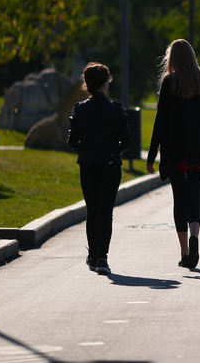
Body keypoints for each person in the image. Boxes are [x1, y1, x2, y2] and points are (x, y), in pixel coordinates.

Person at [146, 39, 200, 268]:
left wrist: (152, 154)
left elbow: (160, 122)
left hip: (175, 152)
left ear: (172, 59)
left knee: (179, 200)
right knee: (195, 198)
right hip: (198, 151)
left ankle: (185, 251)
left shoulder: (169, 83)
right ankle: (195, 236)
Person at [67, 63, 130, 275]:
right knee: (106, 211)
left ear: (87, 84)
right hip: (110, 165)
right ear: (105, 83)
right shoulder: (116, 109)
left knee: (92, 210)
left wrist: (85, 151)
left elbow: (72, 140)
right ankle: (102, 256)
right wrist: (114, 151)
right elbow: (127, 140)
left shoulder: (80, 109)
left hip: (88, 165)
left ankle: (93, 255)